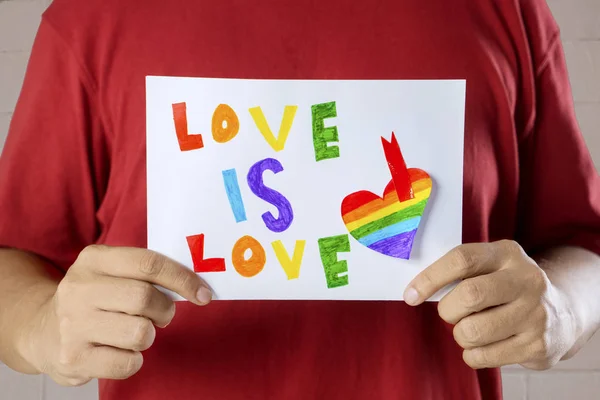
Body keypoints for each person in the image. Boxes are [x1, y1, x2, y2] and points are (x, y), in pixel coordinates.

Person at [0, 0, 599, 399]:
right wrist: (40, 327)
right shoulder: (96, 15)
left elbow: (584, 246)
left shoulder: (505, 11)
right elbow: (13, 258)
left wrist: (561, 310)